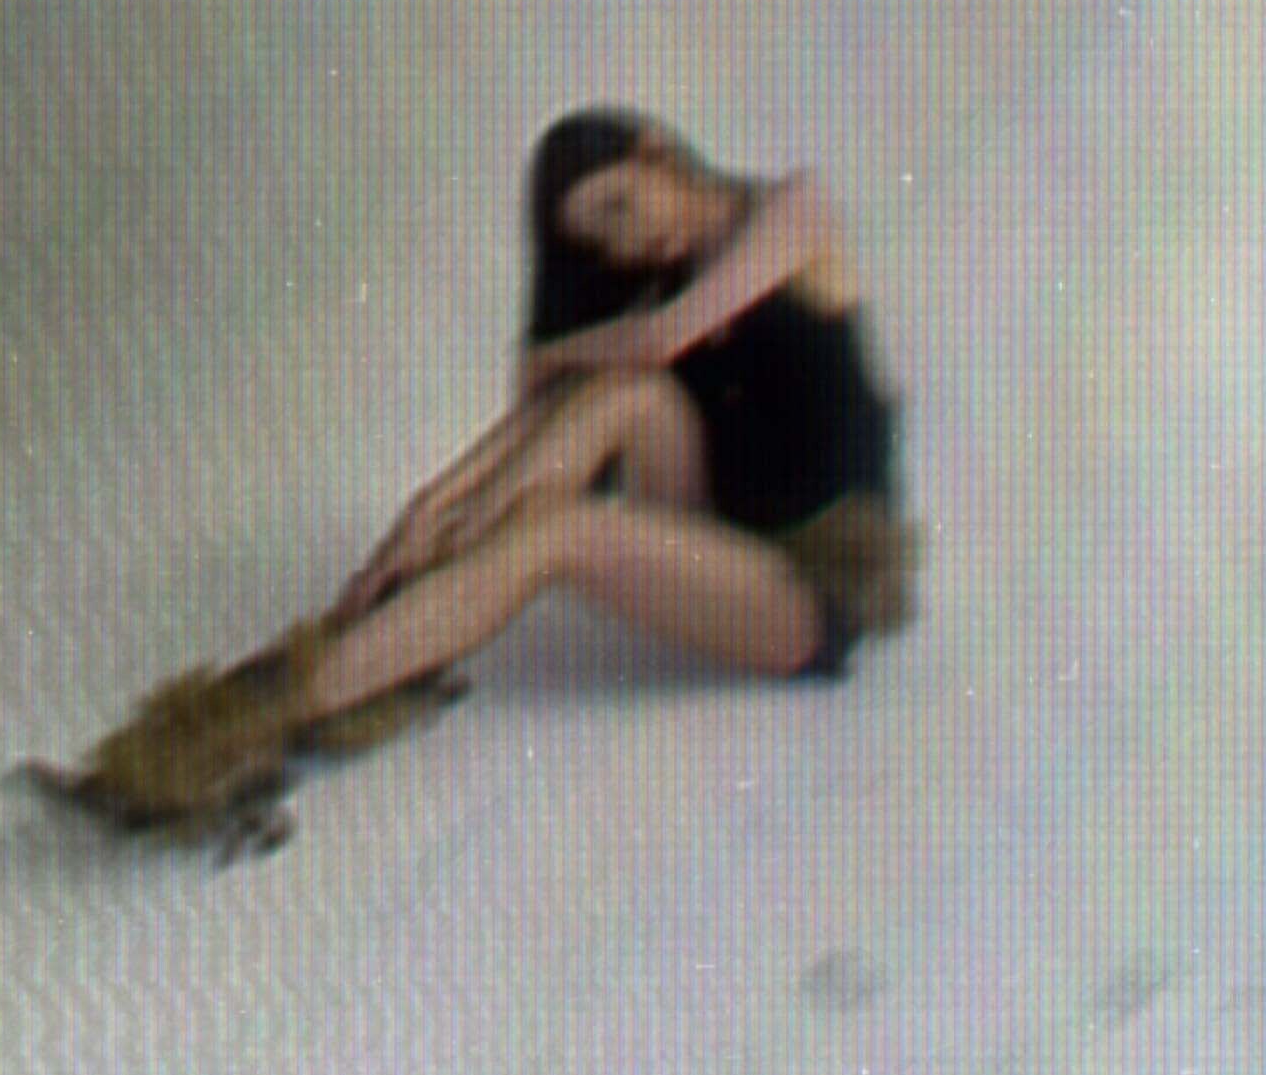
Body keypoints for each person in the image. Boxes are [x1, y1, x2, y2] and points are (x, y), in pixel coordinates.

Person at [314, 106, 923, 724]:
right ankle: (388, 619)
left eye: (617, 206)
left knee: (555, 524)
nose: (623, 243)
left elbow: (661, 338)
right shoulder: (664, 280)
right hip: (721, 538)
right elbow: (552, 409)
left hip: (818, 584)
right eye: (601, 240)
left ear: (653, 149)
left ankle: (292, 702)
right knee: (625, 395)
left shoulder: (795, 209)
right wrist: (432, 505)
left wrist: (551, 354)